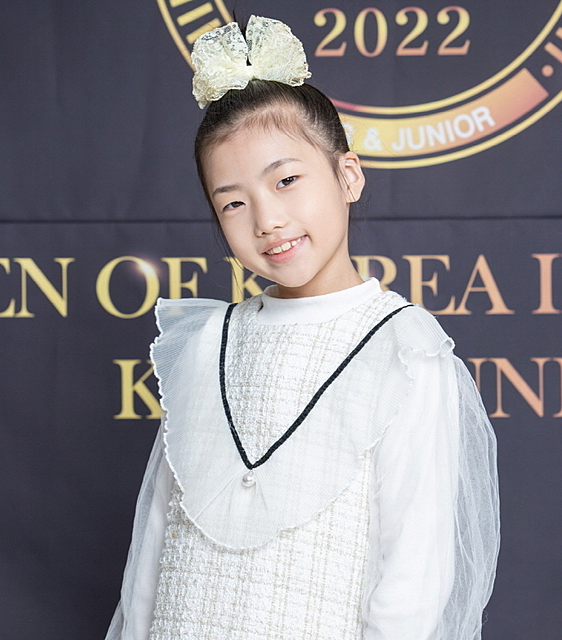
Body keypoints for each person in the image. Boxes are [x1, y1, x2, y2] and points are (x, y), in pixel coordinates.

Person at [105, 15, 499, 640]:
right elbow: (154, 545)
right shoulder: (209, 344)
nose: (267, 219)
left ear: (348, 177)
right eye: (233, 203)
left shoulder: (404, 351)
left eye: (287, 180)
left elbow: (414, 583)